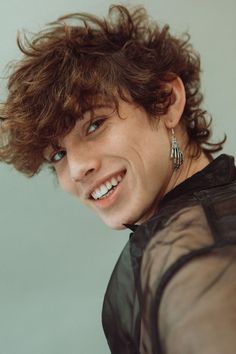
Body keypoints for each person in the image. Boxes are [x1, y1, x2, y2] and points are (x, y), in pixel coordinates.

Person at [0, 4, 236, 354]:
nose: (77, 168)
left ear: (166, 101)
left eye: (95, 124)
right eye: (58, 156)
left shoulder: (187, 246)